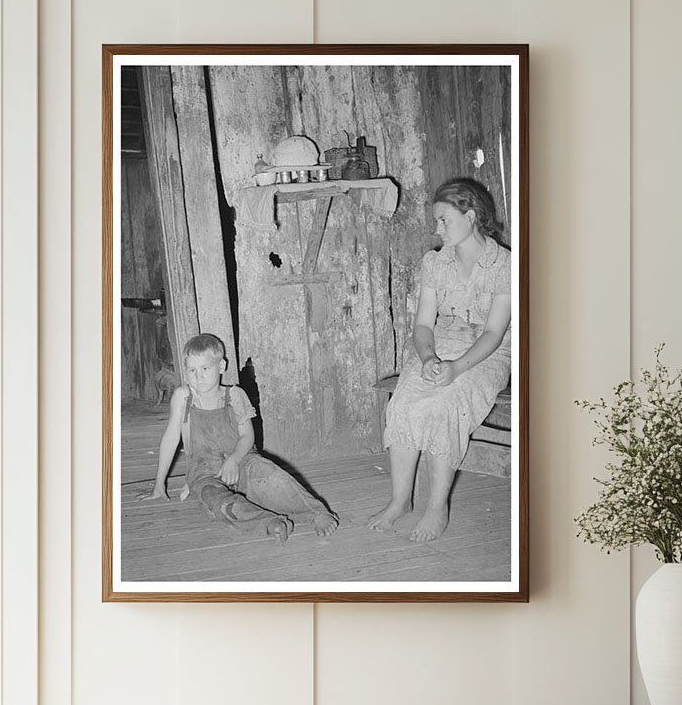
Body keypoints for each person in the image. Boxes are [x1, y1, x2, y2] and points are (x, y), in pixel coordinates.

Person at [368, 178, 512, 542]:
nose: (437, 229)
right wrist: (429, 357)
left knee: (445, 405)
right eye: (436, 221)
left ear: (471, 216)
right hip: (440, 342)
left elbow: (493, 334)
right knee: (403, 403)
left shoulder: (505, 265)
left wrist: (455, 369)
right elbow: (422, 324)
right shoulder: (434, 263)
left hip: (485, 352)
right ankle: (400, 500)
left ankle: (436, 507)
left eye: (444, 220)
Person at [146, 333, 339, 541]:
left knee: (271, 476)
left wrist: (234, 460)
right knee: (216, 502)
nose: (198, 376)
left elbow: (248, 436)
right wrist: (159, 484)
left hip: (243, 461)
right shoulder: (183, 397)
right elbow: (171, 438)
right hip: (205, 472)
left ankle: (317, 513)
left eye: (205, 369)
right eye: (192, 370)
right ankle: (269, 523)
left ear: (221, 367)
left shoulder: (235, 395)